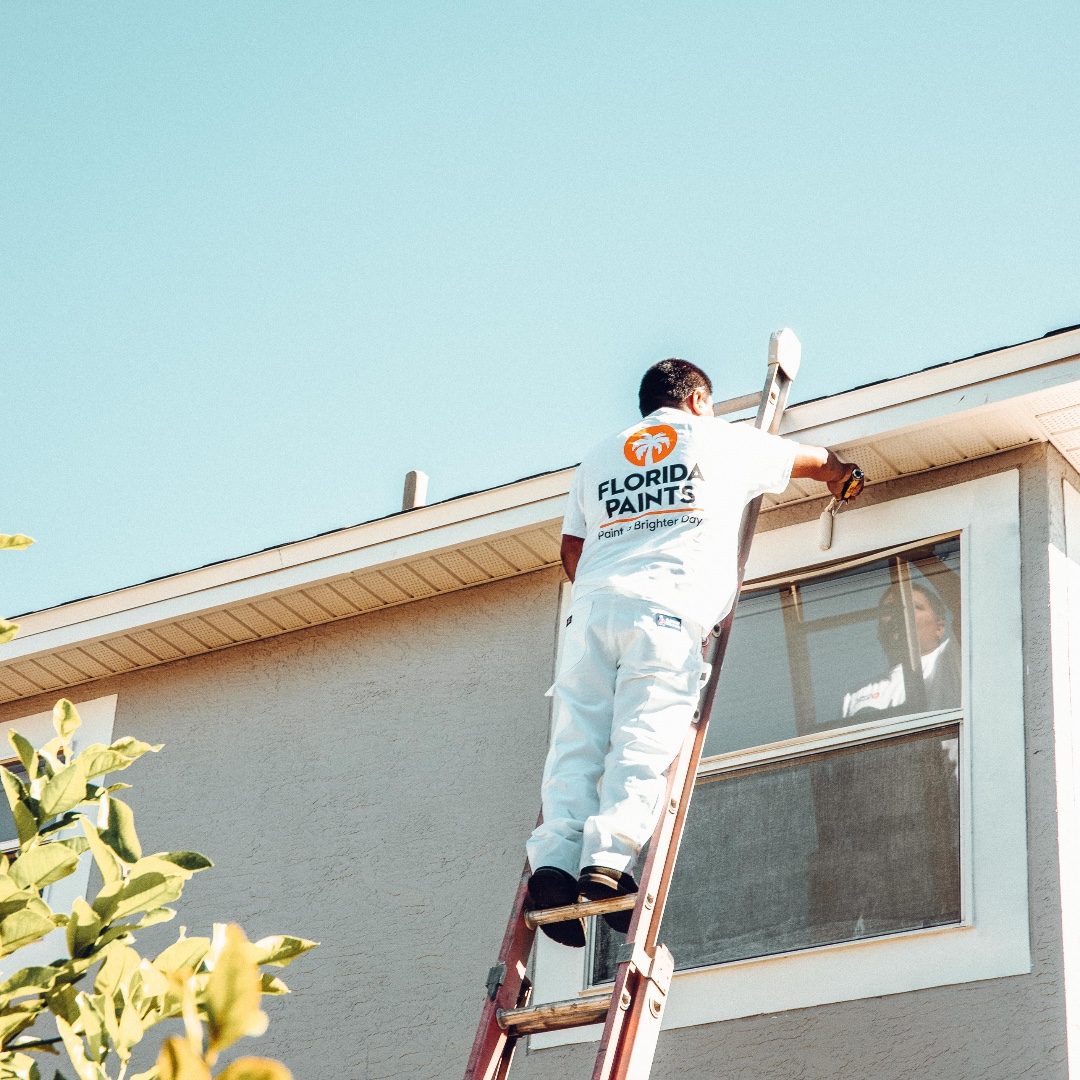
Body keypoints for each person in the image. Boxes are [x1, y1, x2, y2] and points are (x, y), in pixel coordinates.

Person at [526, 357, 864, 947]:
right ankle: (607, 864)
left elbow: (572, 548)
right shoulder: (719, 440)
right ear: (699, 399)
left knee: (577, 741)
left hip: (591, 614)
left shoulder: (599, 457)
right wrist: (842, 475)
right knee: (642, 741)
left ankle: (554, 866)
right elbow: (809, 459)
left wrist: (610, 589)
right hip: (664, 611)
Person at [841, 581, 961, 719]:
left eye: (913, 606)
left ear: (939, 628)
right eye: (889, 609)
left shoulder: (951, 660)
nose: (900, 614)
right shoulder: (855, 695)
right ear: (879, 630)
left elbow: (966, 604)